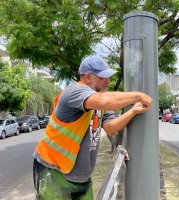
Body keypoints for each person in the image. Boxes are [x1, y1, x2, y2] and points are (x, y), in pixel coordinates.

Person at [32, 55, 152, 200]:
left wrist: (133, 111)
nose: (107, 81)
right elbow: (104, 101)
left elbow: (110, 128)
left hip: (81, 177)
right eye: (102, 77)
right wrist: (138, 96)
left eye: (108, 77)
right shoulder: (74, 92)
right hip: (53, 170)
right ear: (87, 77)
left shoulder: (99, 101)